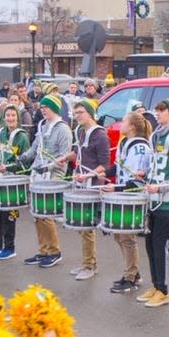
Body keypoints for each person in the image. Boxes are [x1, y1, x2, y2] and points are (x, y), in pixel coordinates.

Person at [136, 99, 169, 307]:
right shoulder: (156, 136)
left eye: (162, 110)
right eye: (157, 110)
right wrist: (146, 173)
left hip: (166, 202)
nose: (157, 114)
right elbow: (158, 166)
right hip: (153, 200)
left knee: (160, 246)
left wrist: (161, 187)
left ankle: (164, 290)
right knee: (150, 245)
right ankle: (156, 285)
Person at [55, 100, 110, 281]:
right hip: (80, 182)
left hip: (92, 186)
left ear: (90, 113)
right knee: (81, 226)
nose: (77, 115)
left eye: (80, 112)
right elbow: (77, 153)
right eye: (75, 112)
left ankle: (90, 265)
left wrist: (87, 176)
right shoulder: (79, 131)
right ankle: (86, 262)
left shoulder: (100, 135)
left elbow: (104, 165)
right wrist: (64, 157)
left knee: (87, 227)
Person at [19, 95, 73, 268]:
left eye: (46, 107)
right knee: (37, 214)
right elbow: (35, 148)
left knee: (46, 214)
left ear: (54, 109)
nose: (43, 110)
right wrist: (21, 158)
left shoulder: (63, 129)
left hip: (53, 175)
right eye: (41, 107)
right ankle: (43, 250)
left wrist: (48, 167)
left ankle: (55, 251)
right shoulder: (42, 125)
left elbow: (63, 155)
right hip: (38, 173)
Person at [102, 111, 152, 293]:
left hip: (132, 196)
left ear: (132, 127)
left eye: (123, 121)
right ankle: (134, 271)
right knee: (119, 235)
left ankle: (131, 277)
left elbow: (137, 181)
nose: (120, 124)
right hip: (124, 195)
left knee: (127, 236)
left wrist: (116, 188)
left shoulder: (139, 148)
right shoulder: (126, 143)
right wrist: (103, 174)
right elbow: (120, 166)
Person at [0, 104, 31, 260]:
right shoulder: (1, 133)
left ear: (17, 117)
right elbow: (0, 152)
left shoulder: (22, 137)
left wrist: (9, 167)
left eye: (13, 115)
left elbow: (25, 162)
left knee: (9, 215)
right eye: (8, 115)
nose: (10, 118)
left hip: (13, 180)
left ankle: (10, 247)